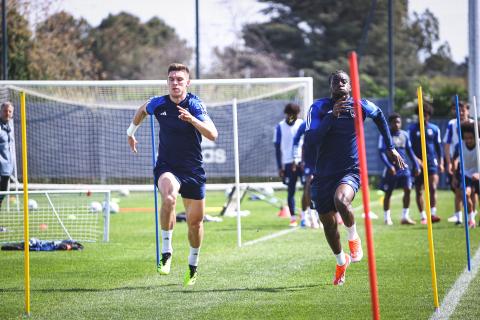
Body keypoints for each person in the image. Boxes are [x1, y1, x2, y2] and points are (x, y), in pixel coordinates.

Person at [305, 70, 406, 285]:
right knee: (329, 225)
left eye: (344, 81)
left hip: (350, 170)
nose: (340, 84)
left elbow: (379, 115)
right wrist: (332, 116)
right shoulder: (319, 107)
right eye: (335, 81)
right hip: (322, 174)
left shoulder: (360, 105)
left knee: (341, 200)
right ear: (330, 87)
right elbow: (312, 138)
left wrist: (390, 147)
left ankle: (353, 238)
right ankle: (341, 261)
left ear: (350, 86)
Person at [127, 63, 218, 287]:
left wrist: (191, 119)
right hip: (167, 166)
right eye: (171, 79)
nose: (175, 83)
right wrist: (130, 132)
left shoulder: (195, 105)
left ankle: (192, 265)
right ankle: (166, 252)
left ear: (188, 83)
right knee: (169, 197)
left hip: (193, 171)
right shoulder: (159, 103)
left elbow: (213, 134)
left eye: (179, 79)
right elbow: (141, 110)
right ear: (167, 82)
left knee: (194, 224)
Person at [378, 113, 420, 225]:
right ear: (390, 124)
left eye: (398, 122)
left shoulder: (405, 135)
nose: (397, 124)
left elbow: (410, 151)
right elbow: (381, 153)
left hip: (403, 168)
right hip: (391, 169)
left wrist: (416, 165)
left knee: (408, 189)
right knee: (388, 193)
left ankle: (405, 217)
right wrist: (389, 166)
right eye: (394, 122)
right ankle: (387, 218)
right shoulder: (385, 135)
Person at [408, 101, 443, 224]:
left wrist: (441, 161)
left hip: (432, 162)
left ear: (429, 115)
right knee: (418, 190)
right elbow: (409, 147)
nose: (424, 117)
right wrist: (417, 160)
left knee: (432, 187)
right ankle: (423, 216)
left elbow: (439, 147)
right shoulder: (412, 129)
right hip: (417, 164)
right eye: (421, 115)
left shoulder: (434, 129)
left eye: (426, 115)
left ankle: (433, 214)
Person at [273, 103, 304, 227]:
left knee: (308, 188)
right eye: (292, 115)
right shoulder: (279, 127)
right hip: (287, 163)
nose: (294, 117)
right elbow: (277, 148)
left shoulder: (302, 123)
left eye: (296, 115)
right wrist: (280, 167)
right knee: (291, 190)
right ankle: (292, 218)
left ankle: (307, 214)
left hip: (302, 162)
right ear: (287, 114)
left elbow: (307, 143)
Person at [444, 101, 473, 224]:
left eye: (463, 110)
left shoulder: (474, 124)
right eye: (458, 110)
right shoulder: (452, 124)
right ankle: (459, 216)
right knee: (458, 190)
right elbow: (447, 143)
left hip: (473, 160)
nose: (461, 112)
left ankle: (472, 214)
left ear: (468, 111)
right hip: (458, 159)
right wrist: (449, 162)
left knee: (472, 192)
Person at [292, 121, 321, 229]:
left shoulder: (327, 120)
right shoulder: (305, 125)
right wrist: (298, 158)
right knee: (309, 186)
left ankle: (319, 215)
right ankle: (307, 215)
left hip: (321, 159)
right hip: (308, 161)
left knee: (321, 188)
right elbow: (297, 141)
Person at [451, 122, 479, 228]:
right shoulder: (460, 145)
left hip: (478, 173)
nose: (468, 140)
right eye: (466, 138)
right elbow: (454, 159)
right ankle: (471, 219)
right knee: (466, 195)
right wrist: (454, 176)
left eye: (471, 138)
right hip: (465, 174)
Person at [0, 101, 14, 209]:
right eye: (5, 111)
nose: (7, 113)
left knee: (1, 199)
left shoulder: (9, 127)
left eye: (9, 111)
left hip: (6, 169)